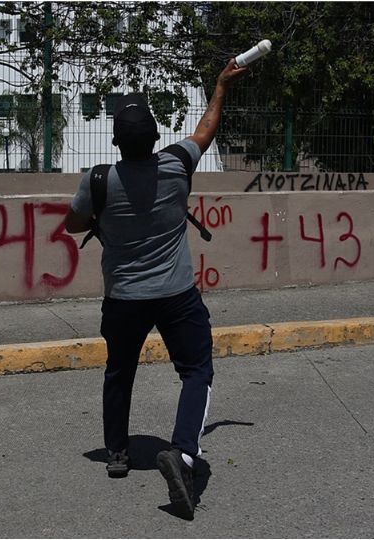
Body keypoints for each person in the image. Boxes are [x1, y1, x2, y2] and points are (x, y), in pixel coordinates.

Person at [65, 58, 248, 519]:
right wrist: (221, 84)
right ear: (155, 136)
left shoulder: (100, 179)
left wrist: (102, 217)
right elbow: (207, 127)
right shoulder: (177, 165)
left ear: (116, 142)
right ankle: (183, 451)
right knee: (196, 370)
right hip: (176, 295)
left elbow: (71, 225)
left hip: (123, 297)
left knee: (119, 371)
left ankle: (118, 454)